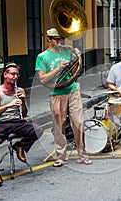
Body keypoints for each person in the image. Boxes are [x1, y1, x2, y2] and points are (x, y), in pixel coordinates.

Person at [35, 28, 92, 167]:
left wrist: (77, 58)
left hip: (72, 90)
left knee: (78, 122)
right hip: (56, 93)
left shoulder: (67, 52)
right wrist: (58, 68)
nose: (59, 42)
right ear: (48, 39)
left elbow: (74, 72)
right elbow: (42, 79)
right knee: (59, 126)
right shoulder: (42, 56)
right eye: (55, 39)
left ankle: (82, 154)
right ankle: (61, 156)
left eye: (60, 39)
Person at [0, 62, 44, 187]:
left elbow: (24, 113)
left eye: (17, 75)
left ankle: (19, 146)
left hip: (18, 122)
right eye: (12, 74)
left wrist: (23, 101)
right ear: (5, 75)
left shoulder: (20, 90)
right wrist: (9, 105)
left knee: (38, 129)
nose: (15, 77)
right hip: (2, 123)